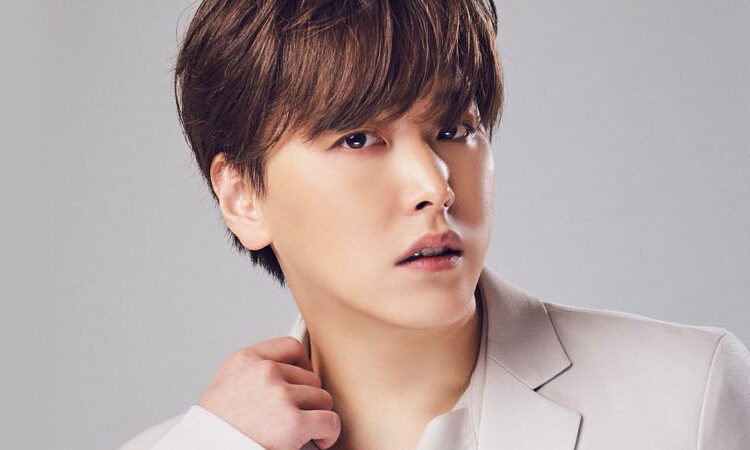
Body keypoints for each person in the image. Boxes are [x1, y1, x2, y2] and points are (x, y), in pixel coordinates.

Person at [118, 1, 750, 449]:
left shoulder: (686, 397)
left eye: (453, 129)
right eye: (358, 138)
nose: (435, 186)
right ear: (243, 198)